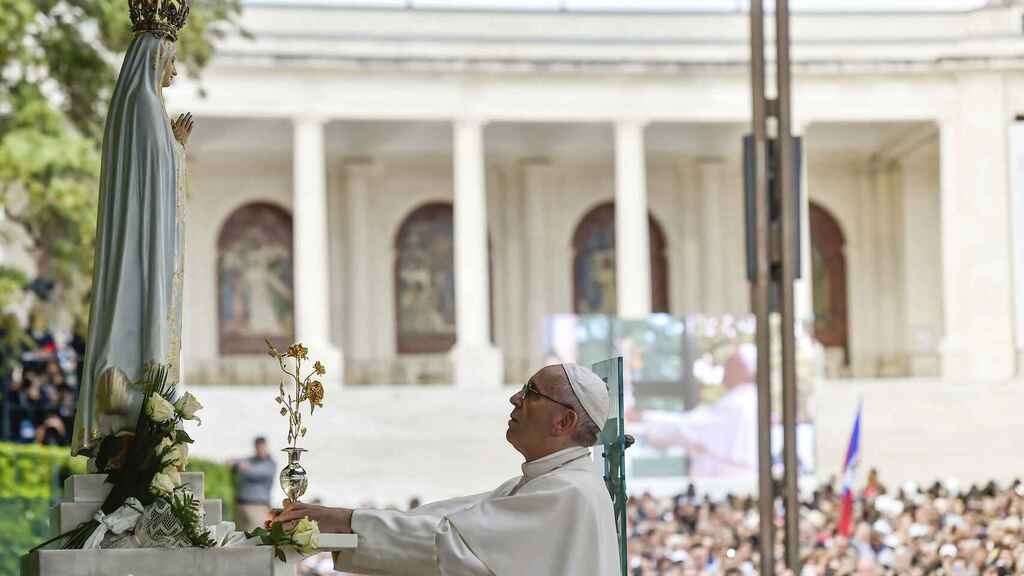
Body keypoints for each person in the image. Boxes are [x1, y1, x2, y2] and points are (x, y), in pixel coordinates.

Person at [276, 363, 621, 576]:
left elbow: (452, 542)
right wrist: (344, 523)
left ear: (564, 421)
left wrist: (348, 522)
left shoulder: (568, 492)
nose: (515, 398)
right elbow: (453, 516)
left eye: (532, 392)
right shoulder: (543, 483)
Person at [71, 13, 193, 456]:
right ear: (154, 55)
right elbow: (153, 185)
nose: (175, 72)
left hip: (145, 240)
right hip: (141, 249)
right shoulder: (144, 108)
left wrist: (175, 151)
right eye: (171, 60)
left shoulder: (145, 109)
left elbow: (154, 182)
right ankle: (129, 409)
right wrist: (176, 154)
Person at [233, 436, 277, 531]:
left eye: (261, 447)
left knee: (254, 537)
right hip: (241, 505)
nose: (259, 450)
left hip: (258, 507)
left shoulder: (270, 464)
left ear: (266, 447)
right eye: (257, 448)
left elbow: (257, 473)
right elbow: (234, 461)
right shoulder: (251, 460)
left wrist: (245, 467)